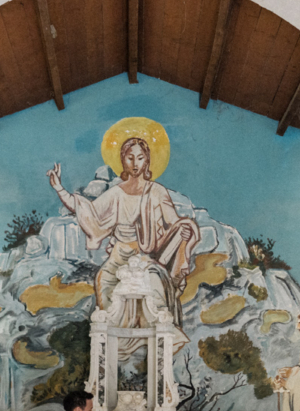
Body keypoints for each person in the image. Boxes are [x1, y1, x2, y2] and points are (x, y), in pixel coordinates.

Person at [47, 137, 199, 328]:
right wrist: (59, 188)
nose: (135, 164)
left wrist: (183, 233)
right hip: (117, 261)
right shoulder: (116, 194)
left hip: (147, 259)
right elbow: (85, 211)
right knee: (103, 285)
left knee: (155, 293)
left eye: (140, 158)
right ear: (122, 160)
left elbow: (174, 224)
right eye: (130, 158)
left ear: (147, 161)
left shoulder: (157, 192)